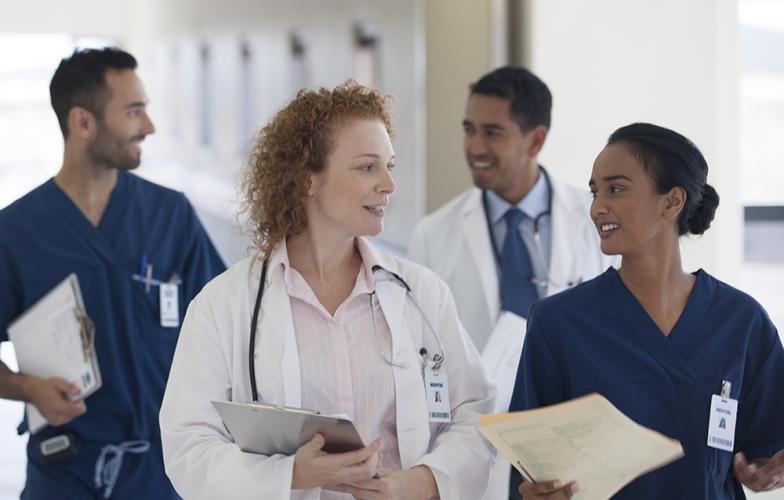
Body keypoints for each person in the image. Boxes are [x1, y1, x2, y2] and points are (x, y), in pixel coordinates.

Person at [159, 82, 495, 500]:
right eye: (367, 167)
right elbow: (187, 446)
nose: (389, 184)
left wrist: (423, 482)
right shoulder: (223, 305)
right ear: (306, 179)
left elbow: (474, 412)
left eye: (390, 165)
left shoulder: (421, 294)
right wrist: (290, 476)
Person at [510, 123, 784, 499]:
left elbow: (768, 449)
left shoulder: (741, 322)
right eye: (595, 192)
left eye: (616, 189)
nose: (596, 207)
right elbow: (524, 474)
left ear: (672, 202)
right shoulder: (557, 324)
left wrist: (767, 473)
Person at [0, 47, 225, 499]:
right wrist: (28, 389)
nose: (149, 126)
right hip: (64, 475)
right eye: (134, 112)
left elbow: (230, 331)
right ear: (83, 123)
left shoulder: (171, 216)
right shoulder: (16, 233)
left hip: (167, 474)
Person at [407, 66, 616, 500]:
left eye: (492, 133)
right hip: (477, 442)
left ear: (535, 140)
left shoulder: (595, 222)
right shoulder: (434, 233)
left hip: (573, 441)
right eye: (469, 130)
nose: (475, 147)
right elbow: (420, 354)